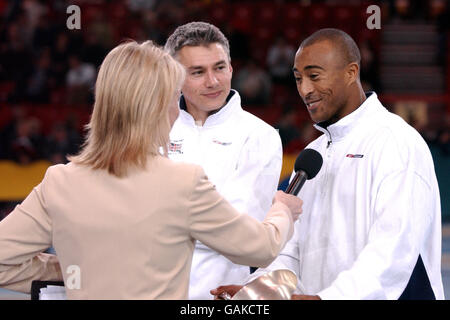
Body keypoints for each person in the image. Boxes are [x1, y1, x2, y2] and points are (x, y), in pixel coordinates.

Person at [0, 40, 302, 299]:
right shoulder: (183, 182)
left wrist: (76, 269)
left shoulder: (59, 181)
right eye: (174, 99)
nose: (177, 110)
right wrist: (282, 210)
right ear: (154, 107)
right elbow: (260, 248)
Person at [212, 28, 445, 300]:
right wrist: (259, 292)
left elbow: (394, 248)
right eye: (298, 79)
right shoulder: (314, 154)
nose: (305, 89)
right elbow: (292, 249)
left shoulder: (396, 142)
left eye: (314, 76)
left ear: (351, 72)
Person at [164, 22, 284, 300]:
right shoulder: (155, 129)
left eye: (219, 67)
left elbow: (240, 233)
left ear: (231, 68)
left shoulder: (260, 136)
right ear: (174, 76)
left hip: (219, 295)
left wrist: (162, 221)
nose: (213, 81)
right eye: (197, 72)